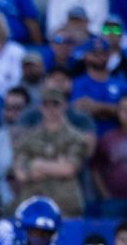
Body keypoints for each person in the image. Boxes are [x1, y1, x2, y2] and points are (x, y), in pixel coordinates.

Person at [12, 87, 92, 217]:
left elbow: (68, 169)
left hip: (65, 205)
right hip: (33, 201)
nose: (51, 110)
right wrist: (55, 165)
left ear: (64, 106)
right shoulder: (28, 138)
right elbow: (20, 173)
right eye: (46, 105)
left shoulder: (76, 137)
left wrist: (36, 163)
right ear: (40, 108)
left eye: (55, 105)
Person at [91, 93, 127, 218]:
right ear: (118, 113)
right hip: (113, 202)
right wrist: (105, 195)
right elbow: (95, 168)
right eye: (125, 109)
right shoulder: (108, 138)